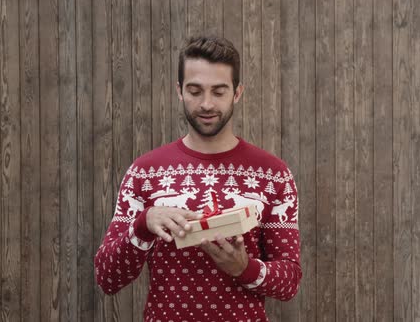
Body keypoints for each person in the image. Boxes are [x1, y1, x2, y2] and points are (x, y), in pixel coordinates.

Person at [94, 36, 301, 322]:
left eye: (219, 92)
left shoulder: (274, 175)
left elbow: (290, 280)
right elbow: (107, 277)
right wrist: (144, 225)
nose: (206, 104)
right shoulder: (144, 173)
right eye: (195, 91)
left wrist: (244, 268)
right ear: (179, 91)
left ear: (237, 92)